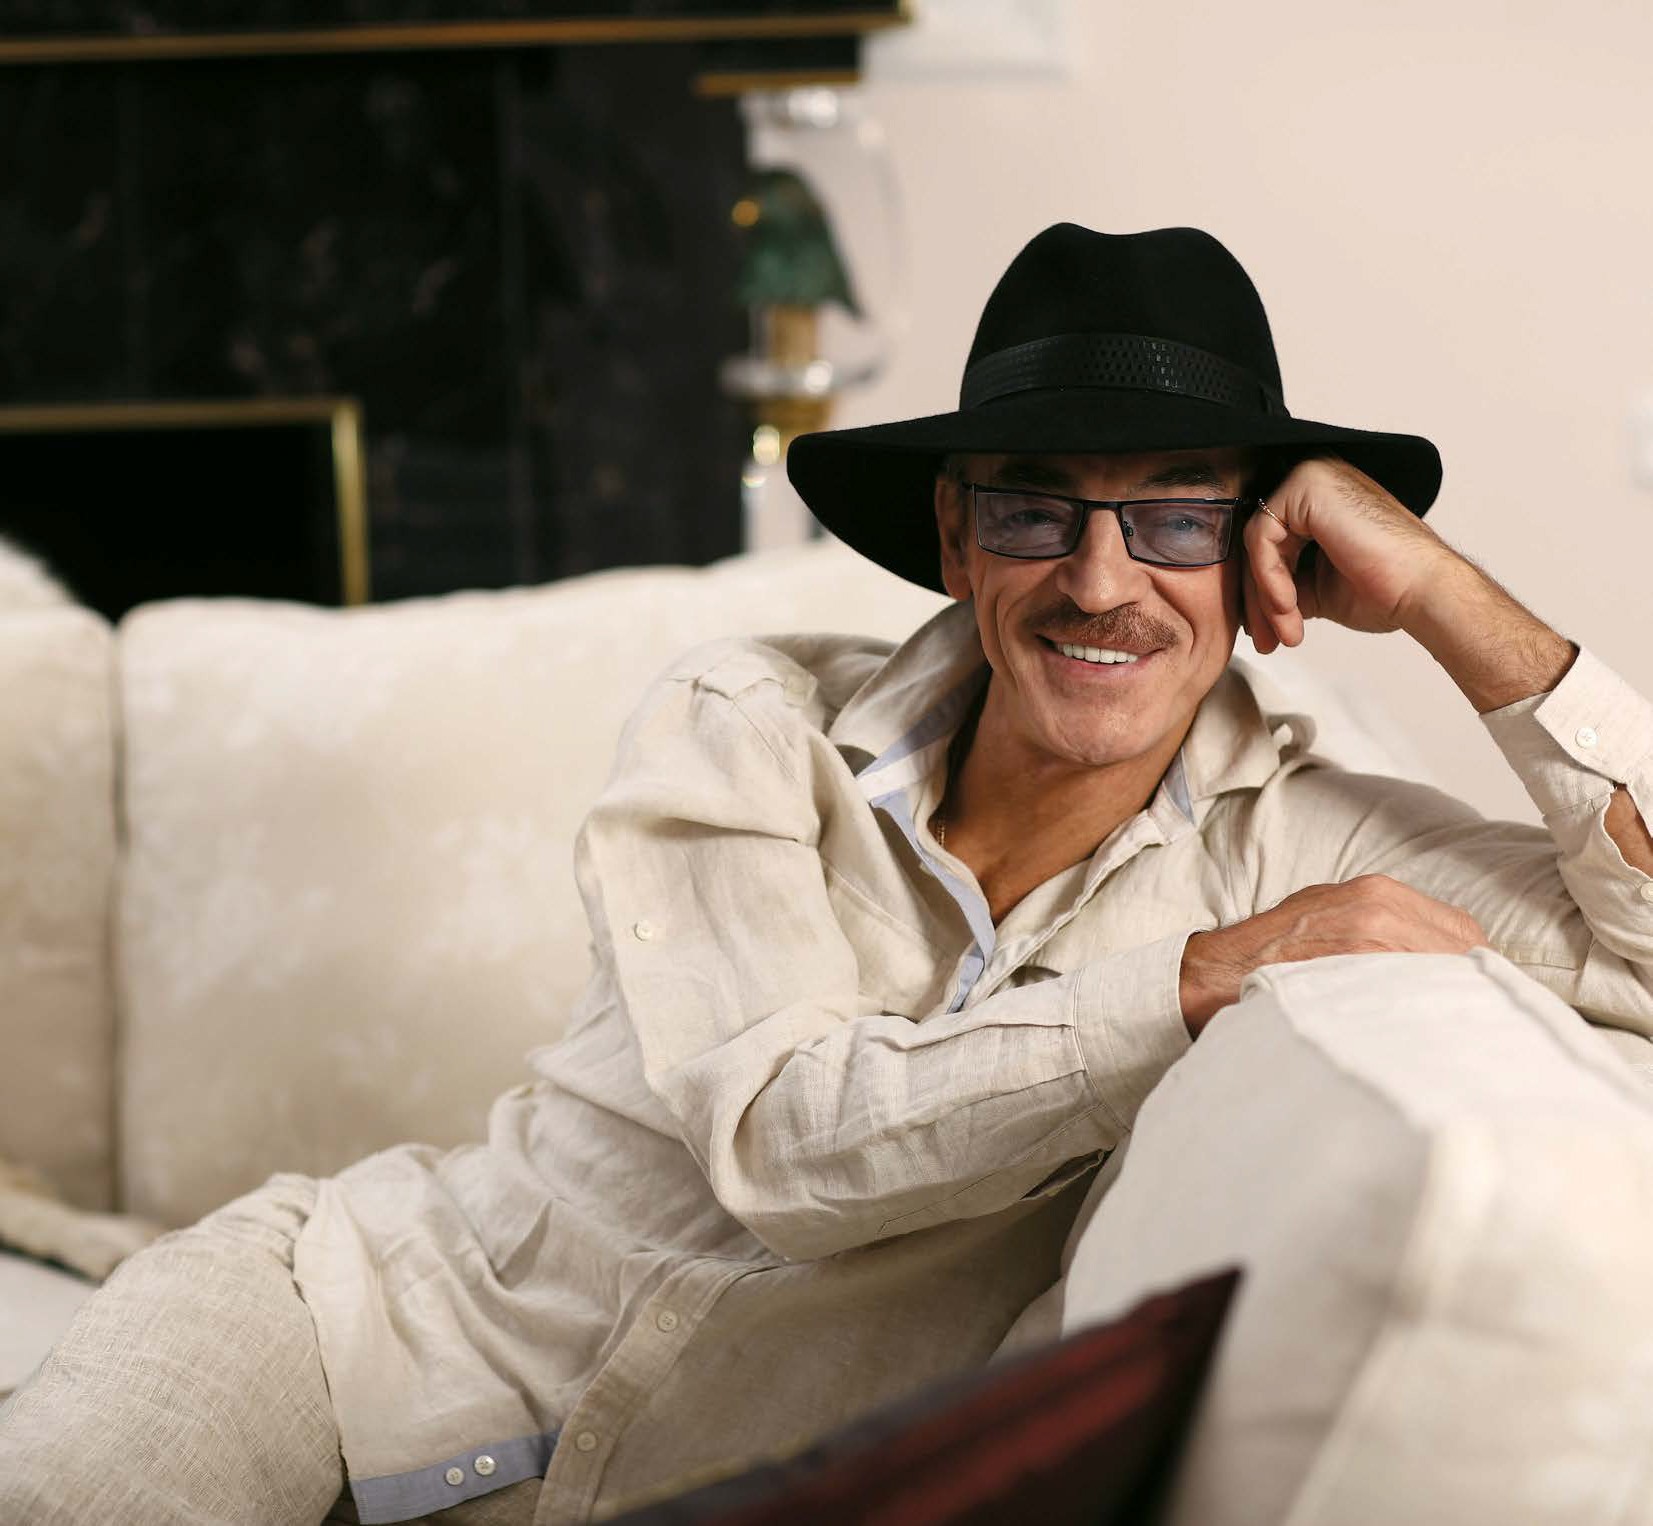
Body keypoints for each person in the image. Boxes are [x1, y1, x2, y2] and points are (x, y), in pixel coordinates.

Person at [4, 223, 1652, 1526]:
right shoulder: (747, 724)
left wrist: (1444, 594)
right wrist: (1193, 978)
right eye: (1035, 511)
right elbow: (783, 1139)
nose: (1098, 582)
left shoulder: (1303, 842)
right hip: (340, 1327)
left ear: (1256, 562)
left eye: (1172, 520)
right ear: (952, 537)